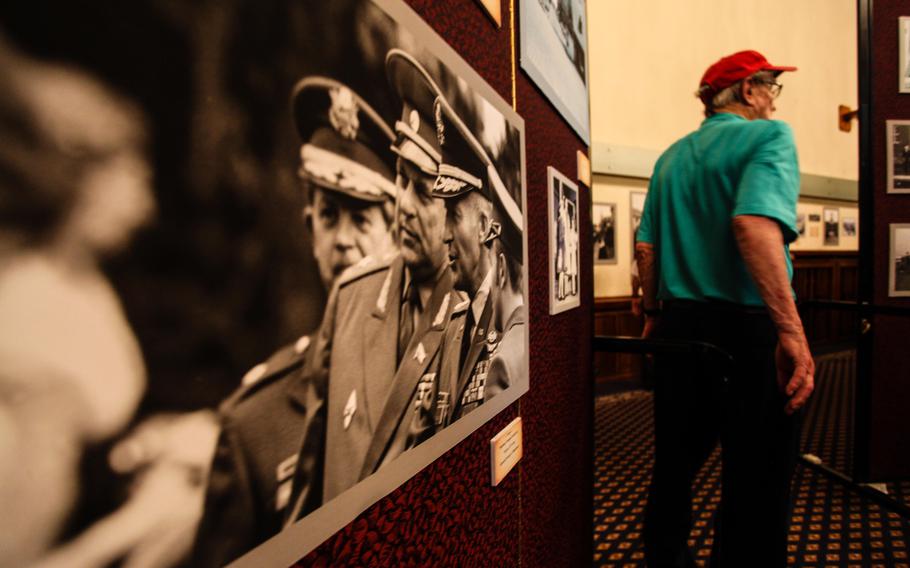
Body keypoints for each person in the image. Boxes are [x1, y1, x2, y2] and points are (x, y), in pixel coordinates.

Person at [192, 77, 399, 568]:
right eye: (329, 217)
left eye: (362, 219)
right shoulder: (252, 425)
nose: (342, 240)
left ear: (395, 234)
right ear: (310, 232)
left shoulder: (427, 369)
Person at [636, 50, 815, 567]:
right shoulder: (769, 138)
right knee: (756, 477)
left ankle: (665, 559)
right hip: (748, 333)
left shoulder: (669, 157)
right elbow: (753, 226)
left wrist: (653, 315)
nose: (774, 104)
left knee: (673, 464)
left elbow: (647, 250)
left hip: (680, 328)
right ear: (749, 91)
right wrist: (794, 335)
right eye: (771, 90)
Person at [284, 49, 461, 518]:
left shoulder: (476, 311)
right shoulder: (350, 296)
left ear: (454, 208)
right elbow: (311, 477)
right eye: (399, 181)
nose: (403, 204)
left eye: (420, 190)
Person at [431, 94, 520, 421]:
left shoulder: (510, 320)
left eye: (453, 216)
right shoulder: (453, 323)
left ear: (484, 226)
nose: (444, 234)